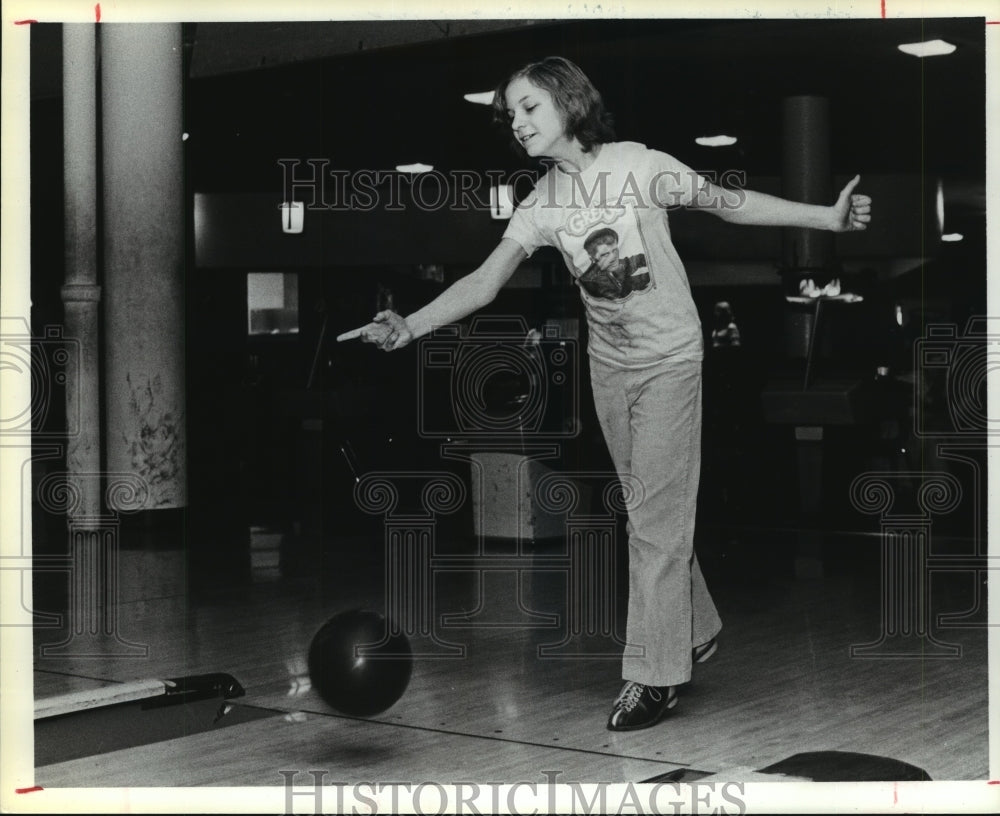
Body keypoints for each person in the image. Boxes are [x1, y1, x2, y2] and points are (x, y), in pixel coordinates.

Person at [348, 56, 871, 731]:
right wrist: (410, 325)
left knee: (654, 522)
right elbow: (484, 281)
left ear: (569, 102)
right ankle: (696, 625)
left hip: (671, 362)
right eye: (511, 114)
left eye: (530, 107)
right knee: (649, 513)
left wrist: (825, 220)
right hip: (609, 367)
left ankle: (652, 678)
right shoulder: (541, 204)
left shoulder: (639, 166)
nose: (518, 122)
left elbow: (729, 203)